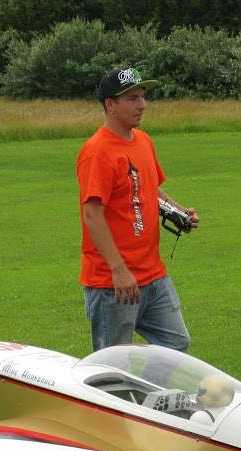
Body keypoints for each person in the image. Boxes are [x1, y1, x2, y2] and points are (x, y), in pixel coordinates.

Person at [77, 66, 199, 352]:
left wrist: (179, 212)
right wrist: (118, 270)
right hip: (112, 282)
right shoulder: (97, 152)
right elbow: (92, 214)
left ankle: (141, 394)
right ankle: (112, 394)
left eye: (143, 97)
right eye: (132, 98)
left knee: (176, 344)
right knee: (113, 362)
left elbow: (149, 189)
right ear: (111, 104)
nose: (142, 104)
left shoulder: (143, 141)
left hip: (152, 273)